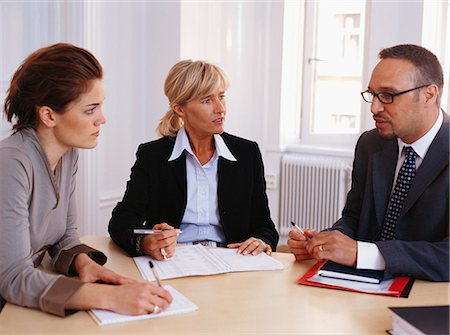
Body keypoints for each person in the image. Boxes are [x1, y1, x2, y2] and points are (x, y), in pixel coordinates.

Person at [0, 43, 172, 316]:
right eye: (90, 109)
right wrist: (110, 297)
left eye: (100, 107)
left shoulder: (67, 156)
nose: (102, 119)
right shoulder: (11, 162)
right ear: (48, 115)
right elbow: (13, 277)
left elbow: (64, 235)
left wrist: (82, 262)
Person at [288, 44, 449, 282]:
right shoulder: (370, 143)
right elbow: (355, 216)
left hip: (426, 302)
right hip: (363, 289)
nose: (374, 108)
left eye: (388, 96)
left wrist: (364, 253)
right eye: (372, 95)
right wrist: (328, 241)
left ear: (429, 95)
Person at [108, 60, 278, 260]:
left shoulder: (247, 153)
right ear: (179, 108)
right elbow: (121, 221)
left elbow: (264, 225)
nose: (220, 108)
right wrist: (145, 243)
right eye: (207, 100)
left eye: (221, 97)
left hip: (231, 260)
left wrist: (261, 240)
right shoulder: (153, 156)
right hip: (173, 260)